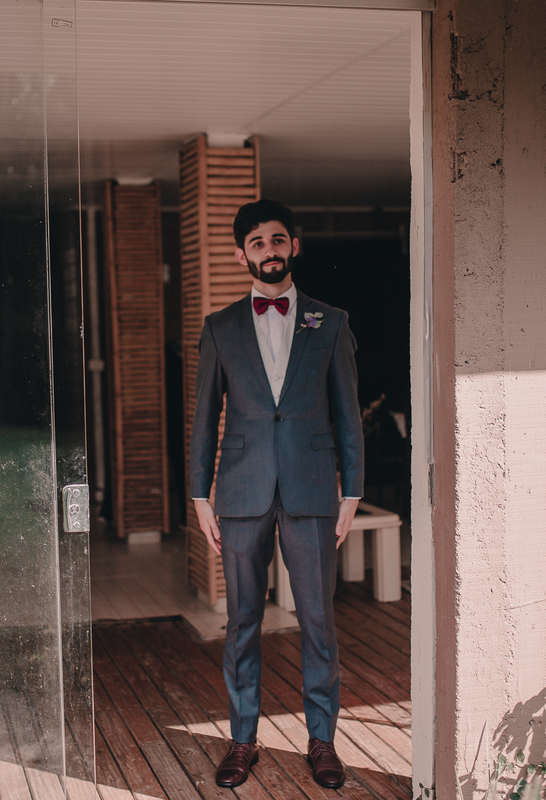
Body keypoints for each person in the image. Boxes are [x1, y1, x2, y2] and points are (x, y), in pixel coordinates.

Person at [190, 199, 364, 789]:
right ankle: (243, 740)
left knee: (318, 621)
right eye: (258, 242)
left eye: (278, 239)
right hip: (239, 493)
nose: (270, 249)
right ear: (242, 254)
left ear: (294, 247)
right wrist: (199, 496)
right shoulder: (219, 328)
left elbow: (347, 415)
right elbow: (203, 417)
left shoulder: (330, 321)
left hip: (314, 492)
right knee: (242, 622)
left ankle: (322, 740)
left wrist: (352, 491)